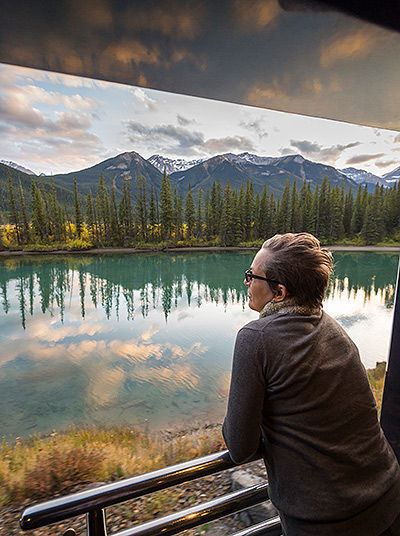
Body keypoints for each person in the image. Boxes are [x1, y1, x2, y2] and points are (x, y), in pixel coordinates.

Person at [222, 232, 400, 536]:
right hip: (388, 496)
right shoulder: (333, 328)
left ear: (279, 292)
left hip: (325, 521)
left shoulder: (256, 338)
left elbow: (239, 447)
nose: (247, 282)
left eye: (252, 276)